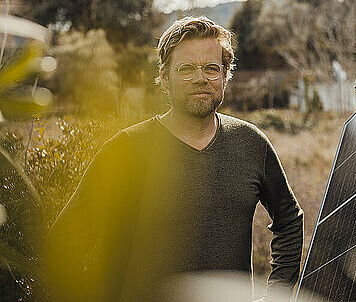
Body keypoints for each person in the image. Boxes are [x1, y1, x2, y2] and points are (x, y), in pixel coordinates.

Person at [44, 16, 304, 302]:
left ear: (225, 76)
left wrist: (275, 296)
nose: (200, 78)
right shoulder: (126, 150)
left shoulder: (251, 143)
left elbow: (289, 219)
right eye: (186, 69)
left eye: (211, 68)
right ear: (165, 78)